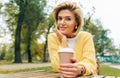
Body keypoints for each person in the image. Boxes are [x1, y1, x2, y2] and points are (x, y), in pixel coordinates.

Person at [48, 1, 97, 77]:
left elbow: (90, 63)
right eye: (59, 18)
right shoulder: (52, 38)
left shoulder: (86, 37)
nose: (62, 22)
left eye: (68, 19)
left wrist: (79, 69)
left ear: (76, 23)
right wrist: (63, 41)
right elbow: (57, 65)